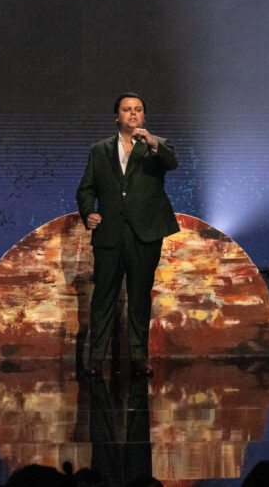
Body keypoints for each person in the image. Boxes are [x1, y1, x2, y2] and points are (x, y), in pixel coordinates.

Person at [77, 92, 179, 378]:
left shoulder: (156, 147)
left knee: (139, 296)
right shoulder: (100, 150)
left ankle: (139, 356)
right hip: (110, 233)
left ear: (144, 116)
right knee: (103, 297)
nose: (133, 114)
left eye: (138, 110)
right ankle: (96, 358)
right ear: (117, 117)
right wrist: (89, 212)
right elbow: (86, 188)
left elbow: (172, 162)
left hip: (144, 233)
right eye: (127, 110)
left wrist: (153, 142)